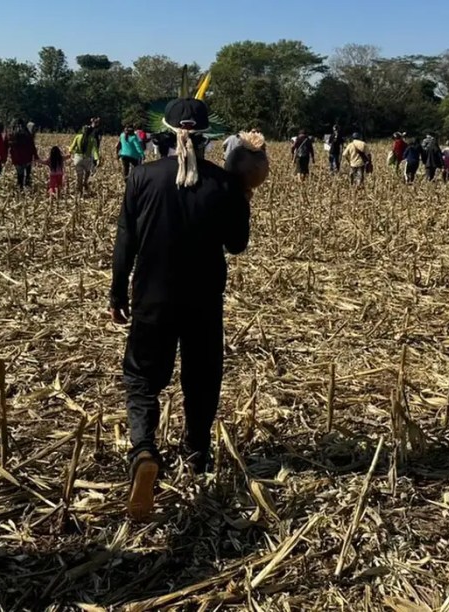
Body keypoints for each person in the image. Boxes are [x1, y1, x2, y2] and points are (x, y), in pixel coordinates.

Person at [108, 98, 251, 521]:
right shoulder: (223, 184)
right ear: (205, 137)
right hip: (203, 299)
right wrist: (242, 192)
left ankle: (144, 449)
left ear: (164, 135)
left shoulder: (142, 177)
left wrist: (118, 293)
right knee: (201, 376)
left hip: (151, 297)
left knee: (141, 376)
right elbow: (237, 245)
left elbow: (124, 242)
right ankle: (197, 453)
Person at [6, 118, 39, 190]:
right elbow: (32, 146)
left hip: (16, 158)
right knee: (27, 173)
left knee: (19, 174)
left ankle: (20, 188)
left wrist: (4, 156)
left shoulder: (10, 134)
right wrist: (36, 157)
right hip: (27, 157)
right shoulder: (27, 134)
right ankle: (27, 185)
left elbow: (5, 145)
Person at [69, 125, 100, 195]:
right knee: (88, 172)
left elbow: (72, 147)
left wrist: (70, 151)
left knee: (79, 177)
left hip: (78, 159)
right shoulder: (93, 139)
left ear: (82, 131)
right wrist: (97, 159)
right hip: (87, 159)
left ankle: (80, 192)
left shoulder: (78, 137)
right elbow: (95, 151)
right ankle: (85, 182)